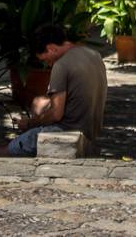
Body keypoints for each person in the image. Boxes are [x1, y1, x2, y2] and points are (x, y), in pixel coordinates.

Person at [6, 23, 106, 156]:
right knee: (38, 102)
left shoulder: (61, 65)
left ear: (51, 48)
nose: (47, 64)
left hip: (68, 130)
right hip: (91, 130)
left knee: (6, 150)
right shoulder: (94, 55)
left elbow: (56, 114)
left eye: (45, 59)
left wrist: (29, 123)